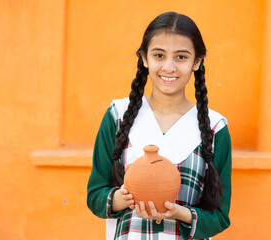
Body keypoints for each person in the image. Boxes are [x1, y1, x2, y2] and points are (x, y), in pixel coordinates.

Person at [87, 11, 232, 240]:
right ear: (144, 58)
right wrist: (125, 197)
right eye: (159, 55)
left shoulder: (215, 128)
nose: (169, 67)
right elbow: (95, 195)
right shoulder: (117, 115)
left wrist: (180, 213)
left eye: (181, 57)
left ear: (197, 61)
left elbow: (220, 217)